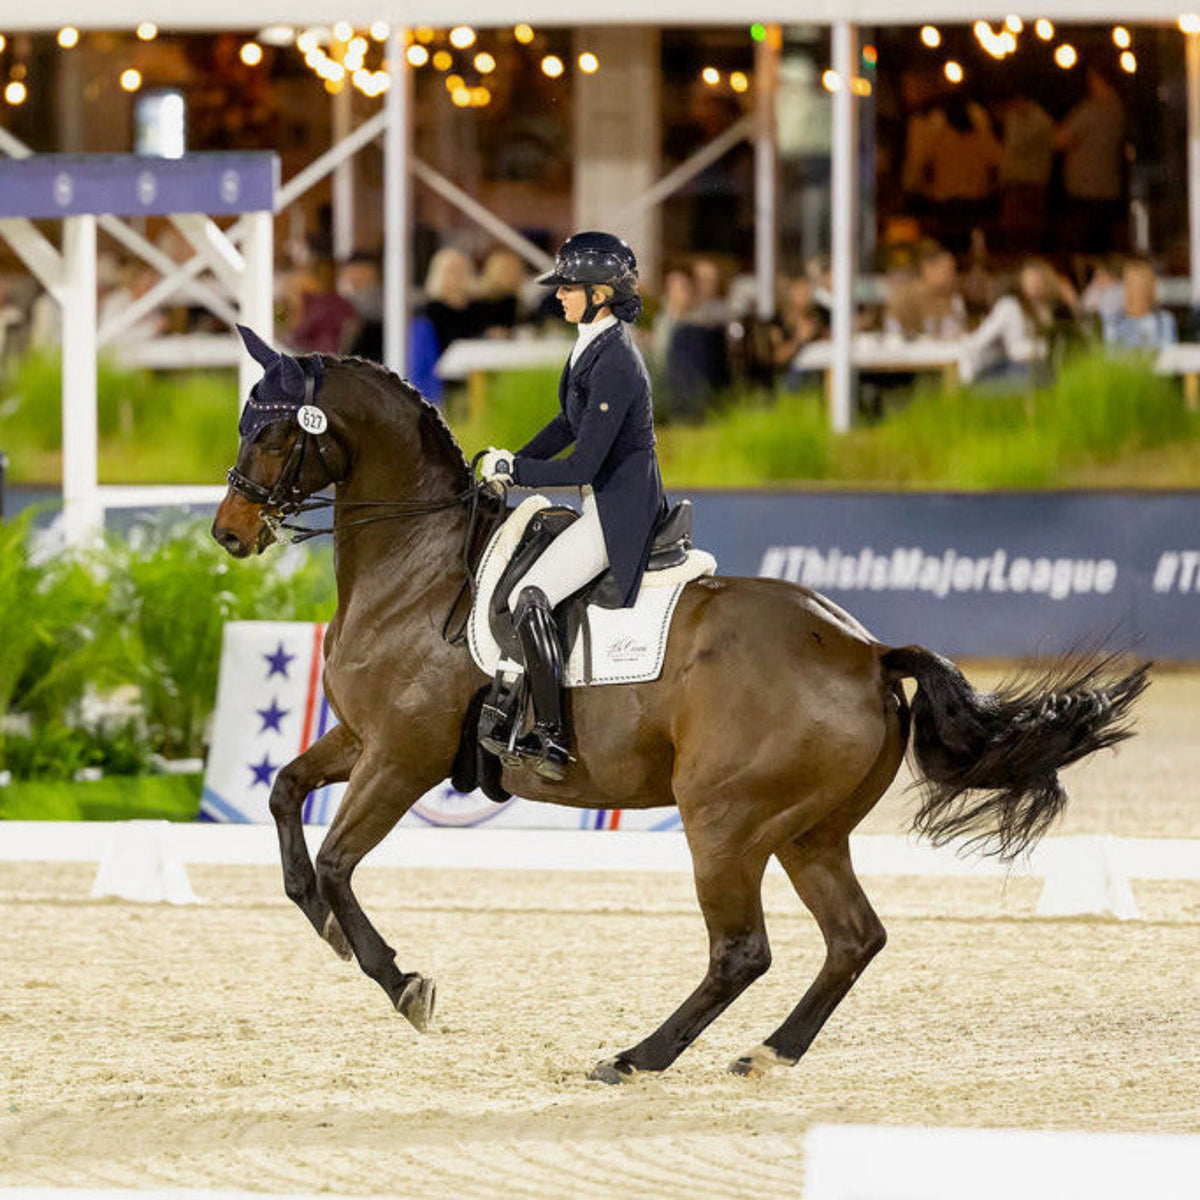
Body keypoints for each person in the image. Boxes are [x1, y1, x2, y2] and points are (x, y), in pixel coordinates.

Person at [476, 231, 668, 781]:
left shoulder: (616, 363)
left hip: (617, 509)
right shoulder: (592, 344)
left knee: (530, 593)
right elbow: (567, 422)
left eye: (568, 287)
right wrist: (513, 457)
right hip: (599, 500)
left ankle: (554, 738)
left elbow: (583, 465)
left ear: (601, 293)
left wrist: (516, 473)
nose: (558, 295)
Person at [958, 259, 1079, 385]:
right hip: (1019, 365)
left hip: (1047, 363)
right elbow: (986, 340)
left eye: (1037, 280)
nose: (1034, 285)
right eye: (1029, 280)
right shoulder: (1013, 307)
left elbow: (1070, 337)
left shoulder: (1058, 309)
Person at [1054, 65, 1128, 252]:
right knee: (1103, 247)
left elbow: (1060, 140)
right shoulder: (1119, 109)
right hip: (1109, 189)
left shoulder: (1091, 110)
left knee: (1084, 249)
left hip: (1086, 192)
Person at [1103, 259, 1177, 352]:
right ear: (1126, 289)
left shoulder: (1164, 320)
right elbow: (1111, 357)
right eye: (1134, 285)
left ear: (1152, 289)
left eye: (1144, 285)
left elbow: (1169, 355)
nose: (1140, 291)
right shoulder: (1114, 323)